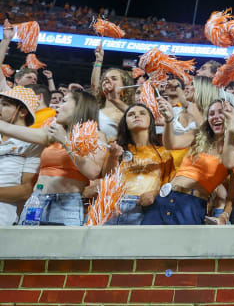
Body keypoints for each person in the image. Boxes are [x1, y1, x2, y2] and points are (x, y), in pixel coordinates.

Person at [0, 90, 105, 226]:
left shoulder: (96, 135)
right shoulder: (51, 133)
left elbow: (93, 172)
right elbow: (6, 127)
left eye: (64, 101)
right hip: (37, 201)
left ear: (79, 106)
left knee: (61, 247)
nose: (57, 106)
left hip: (67, 204)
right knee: (26, 245)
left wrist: (65, 141)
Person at [143, 99, 232, 225]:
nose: (216, 117)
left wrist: (224, 215)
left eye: (221, 112)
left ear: (231, 115)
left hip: (192, 204)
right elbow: (171, 144)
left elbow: (233, 194)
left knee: (183, 245)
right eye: (211, 114)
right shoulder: (198, 136)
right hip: (166, 196)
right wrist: (169, 120)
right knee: (146, 242)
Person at [103, 104, 174, 225]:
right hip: (114, 206)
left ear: (151, 121)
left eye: (142, 113)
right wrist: (113, 156)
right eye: (131, 114)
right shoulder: (116, 148)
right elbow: (107, 178)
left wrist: (154, 193)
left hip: (146, 207)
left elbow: (169, 185)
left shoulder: (164, 152)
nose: (136, 115)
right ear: (125, 122)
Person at [0, 87, 42, 225]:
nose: (0, 107)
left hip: (5, 217)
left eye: (5, 104)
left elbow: (26, 190)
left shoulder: (33, 143)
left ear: (23, 112)